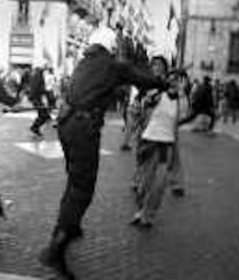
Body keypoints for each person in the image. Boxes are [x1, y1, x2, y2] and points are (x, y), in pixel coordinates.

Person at [39, 26, 167, 278]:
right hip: (83, 128)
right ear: (109, 46)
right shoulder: (111, 64)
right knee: (82, 189)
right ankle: (56, 249)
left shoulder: (83, 62)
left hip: (66, 126)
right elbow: (142, 79)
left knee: (74, 181)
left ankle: (70, 227)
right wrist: (162, 81)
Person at [131, 70, 181, 228]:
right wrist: (152, 96)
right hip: (149, 142)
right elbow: (143, 107)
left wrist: (175, 154)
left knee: (159, 185)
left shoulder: (180, 101)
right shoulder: (158, 95)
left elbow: (176, 127)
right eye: (172, 80)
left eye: (178, 81)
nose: (175, 83)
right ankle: (140, 211)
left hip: (166, 146)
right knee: (144, 184)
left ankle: (149, 216)